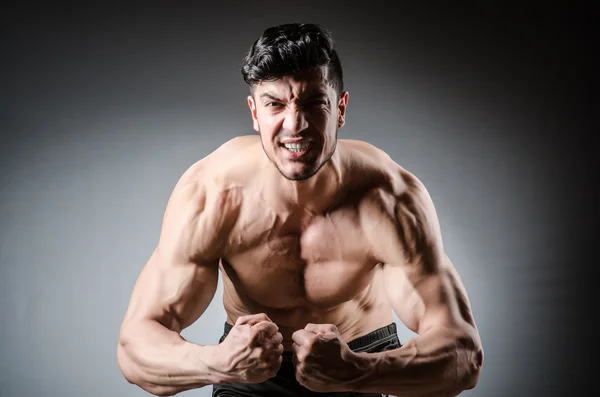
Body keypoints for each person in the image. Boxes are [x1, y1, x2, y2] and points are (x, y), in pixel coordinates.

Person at [116, 23, 484, 397]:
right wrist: (220, 362)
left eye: (313, 103)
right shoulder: (212, 195)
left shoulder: (388, 199)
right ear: (254, 112)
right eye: (275, 104)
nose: (295, 125)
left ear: (340, 108)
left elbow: (463, 354)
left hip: (361, 359)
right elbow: (135, 348)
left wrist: (355, 371)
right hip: (250, 371)